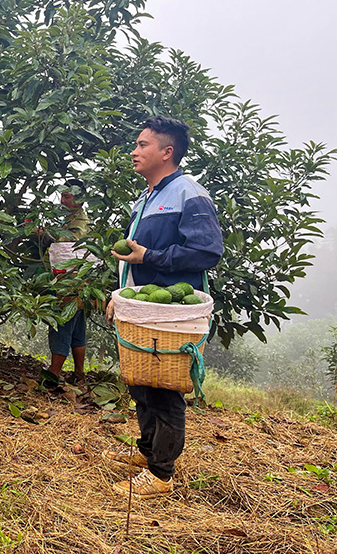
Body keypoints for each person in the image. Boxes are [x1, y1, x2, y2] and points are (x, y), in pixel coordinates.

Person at [104, 116, 223, 499]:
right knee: (141, 382)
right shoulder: (148, 197)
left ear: (167, 152)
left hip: (171, 312)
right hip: (144, 310)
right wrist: (118, 296)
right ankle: (147, 451)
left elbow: (206, 251)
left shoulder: (189, 193)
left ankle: (160, 474)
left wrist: (150, 256)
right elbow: (134, 259)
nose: (134, 152)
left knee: (164, 390)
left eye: (142, 145)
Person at [36, 179, 89, 386]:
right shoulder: (69, 218)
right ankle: (79, 374)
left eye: (68, 196)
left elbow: (68, 246)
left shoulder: (79, 222)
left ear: (79, 198)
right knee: (77, 327)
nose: (63, 200)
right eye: (62, 195)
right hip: (77, 282)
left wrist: (45, 235)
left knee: (61, 323)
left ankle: (54, 374)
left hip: (69, 282)